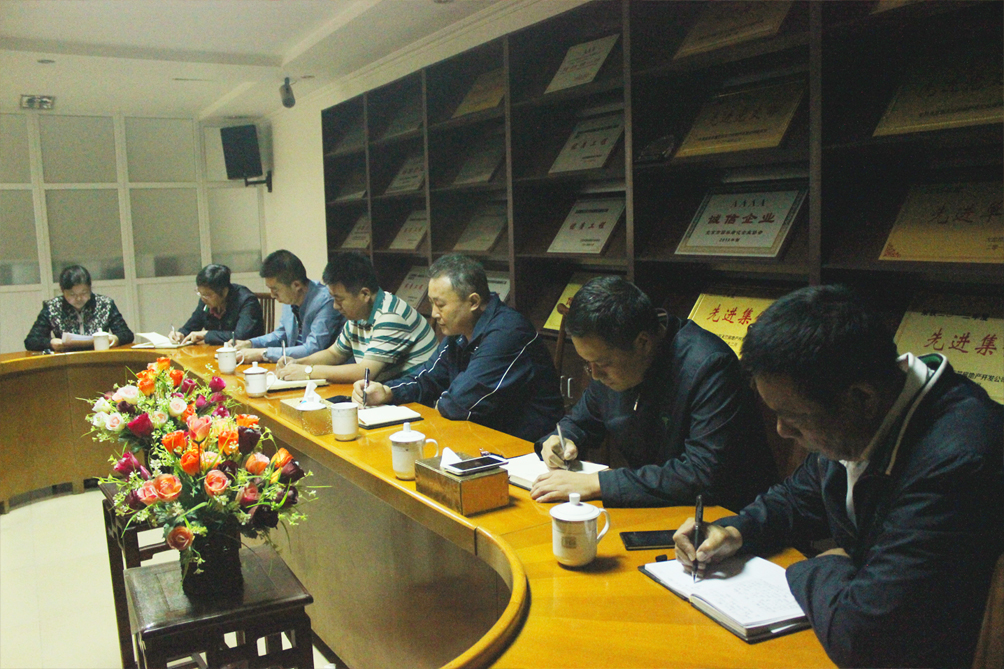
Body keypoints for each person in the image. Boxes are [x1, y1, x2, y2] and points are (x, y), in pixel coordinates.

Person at [673, 285, 1003, 669]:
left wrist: (818, 565)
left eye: (794, 418)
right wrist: (735, 531)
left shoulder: (956, 463)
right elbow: (800, 496)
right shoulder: (862, 415)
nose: (781, 430)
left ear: (861, 398)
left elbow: (865, 638)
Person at [530, 276, 776, 510]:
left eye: (602, 364)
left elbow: (702, 473)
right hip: (658, 506)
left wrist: (598, 483)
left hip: (725, 516)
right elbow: (579, 421)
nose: (594, 374)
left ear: (643, 343)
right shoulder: (612, 361)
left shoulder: (708, 366)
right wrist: (562, 441)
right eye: (587, 363)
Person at [352, 254, 563, 442]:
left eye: (440, 305)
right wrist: (387, 392)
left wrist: (438, 402)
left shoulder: (507, 333)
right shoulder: (461, 331)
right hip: (482, 436)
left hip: (527, 448)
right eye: (432, 303)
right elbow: (428, 377)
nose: (434, 313)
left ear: (473, 301)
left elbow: (458, 403)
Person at [277, 252, 437, 383]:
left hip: (416, 400)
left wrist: (308, 371)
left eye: (339, 299)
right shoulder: (359, 315)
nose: (335, 306)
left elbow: (365, 372)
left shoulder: (391, 316)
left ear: (365, 294)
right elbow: (334, 354)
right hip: (388, 393)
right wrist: (297, 362)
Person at [235, 250, 343, 363]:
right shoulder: (291, 299)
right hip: (292, 365)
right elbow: (281, 335)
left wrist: (262, 353)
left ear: (296, 285)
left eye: (275, 289)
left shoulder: (325, 302)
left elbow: (312, 349)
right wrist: (250, 343)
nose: (272, 295)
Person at [24, 265, 134, 351]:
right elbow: (31, 341)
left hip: (99, 358)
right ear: (63, 291)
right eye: (72, 294)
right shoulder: (53, 307)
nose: (79, 298)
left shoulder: (105, 304)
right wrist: (51, 343)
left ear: (90, 288)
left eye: (84, 293)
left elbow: (127, 334)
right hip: (67, 361)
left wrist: (115, 339)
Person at [170, 264, 265, 346]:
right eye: (200, 293)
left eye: (207, 295)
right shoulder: (206, 301)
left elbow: (240, 336)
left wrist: (206, 335)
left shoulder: (246, 301)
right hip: (214, 351)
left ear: (224, 291)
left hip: (245, 355)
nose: (203, 298)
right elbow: (192, 325)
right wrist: (181, 333)